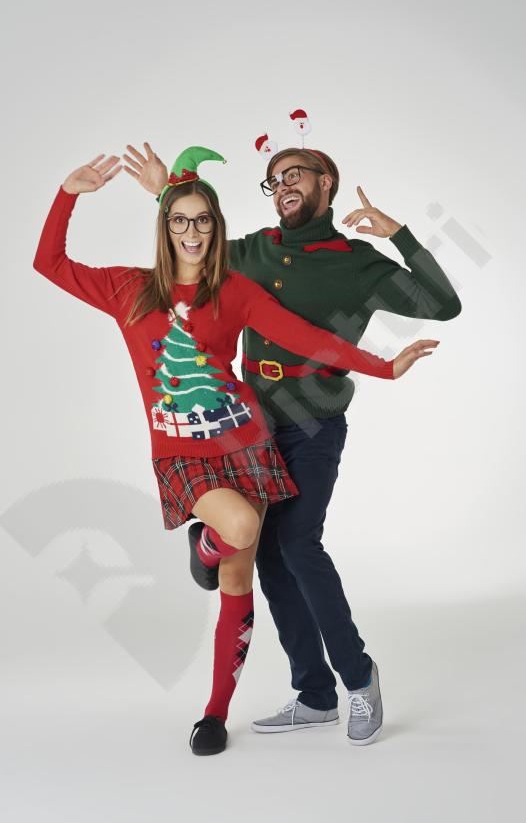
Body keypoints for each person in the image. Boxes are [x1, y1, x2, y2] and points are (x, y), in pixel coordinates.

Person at [34, 146, 437, 756]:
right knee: (245, 527)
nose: (191, 232)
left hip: (248, 445)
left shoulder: (237, 291)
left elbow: (306, 337)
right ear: (164, 227)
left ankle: (219, 712)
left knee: (252, 564)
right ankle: (207, 544)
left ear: (216, 229)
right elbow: (49, 263)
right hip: (183, 458)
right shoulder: (128, 288)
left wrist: (381, 368)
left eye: (202, 222)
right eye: (179, 221)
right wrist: (69, 194)